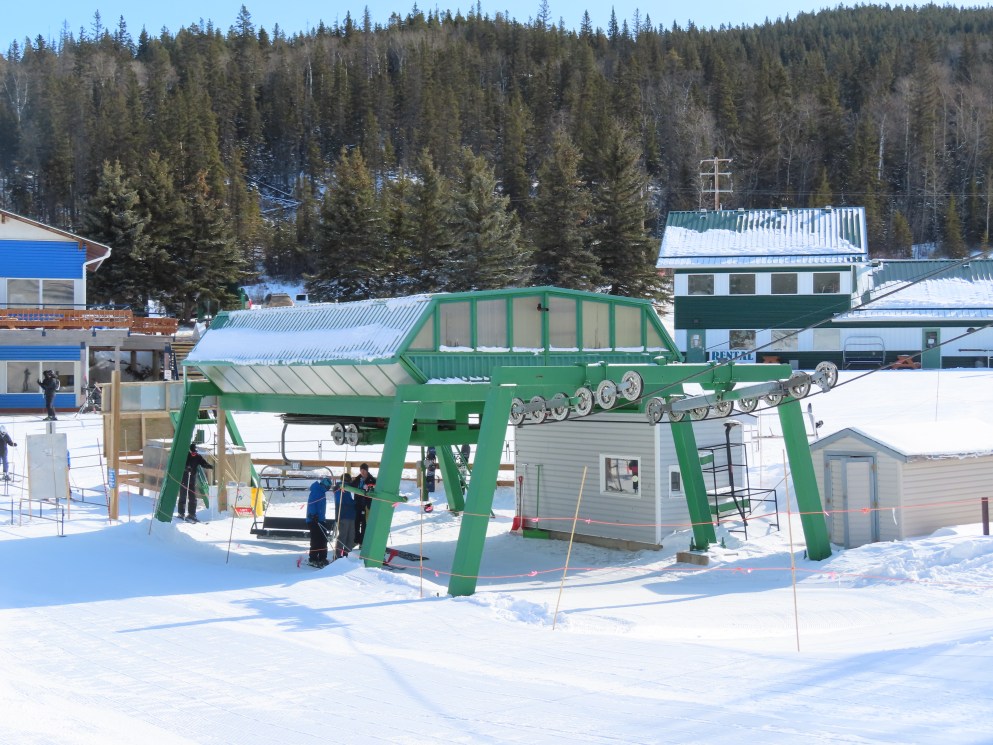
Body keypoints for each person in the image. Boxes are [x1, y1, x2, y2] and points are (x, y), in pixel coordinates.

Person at [178, 443, 213, 522]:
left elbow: (203, 463)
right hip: (185, 478)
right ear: (190, 451)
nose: (194, 454)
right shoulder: (186, 456)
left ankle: (192, 514)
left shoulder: (198, 456)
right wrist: (186, 468)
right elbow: (181, 464)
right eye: (193, 452)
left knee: (193, 497)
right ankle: (181, 513)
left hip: (192, 479)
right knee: (183, 495)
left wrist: (209, 466)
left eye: (195, 452)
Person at [306, 476, 334, 567]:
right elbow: (312, 504)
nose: (328, 489)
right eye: (328, 487)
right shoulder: (316, 490)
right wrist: (313, 515)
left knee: (323, 539)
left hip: (321, 520)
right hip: (313, 520)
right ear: (325, 485)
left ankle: (322, 558)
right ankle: (313, 559)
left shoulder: (321, 492)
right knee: (316, 540)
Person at [333, 475, 357, 559]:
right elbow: (346, 501)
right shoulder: (342, 488)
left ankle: (345, 555)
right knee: (345, 536)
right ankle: (339, 555)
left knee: (348, 536)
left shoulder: (342, 488)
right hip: (344, 515)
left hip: (348, 515)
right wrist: (356, 502)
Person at [355, 463, 377, 546]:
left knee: (364, 524)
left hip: (367, 505)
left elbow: (375, 490)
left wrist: (369, 488)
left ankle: (363, 542)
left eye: (364, 470)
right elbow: (352, 485)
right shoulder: (358, 479)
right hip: (358, 504)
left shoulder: (371, 479)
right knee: (356, 523)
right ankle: (357, 540)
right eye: (361, 470)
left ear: (367, 470)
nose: (362, 472)